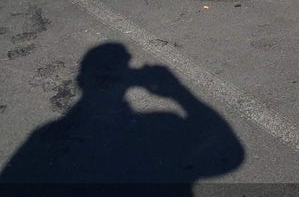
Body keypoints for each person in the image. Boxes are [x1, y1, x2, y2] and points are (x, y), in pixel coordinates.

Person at [0, 43, 244, 196]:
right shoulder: (163, 124)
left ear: (82, 79)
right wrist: (180, 93)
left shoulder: (45, 135)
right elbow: (230, 156)